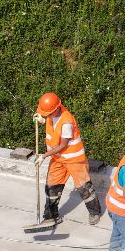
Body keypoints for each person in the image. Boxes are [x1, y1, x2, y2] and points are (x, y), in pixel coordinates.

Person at [35, 92, 101, 225]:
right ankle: (51, 216)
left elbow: (63, 145)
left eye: (47, 114)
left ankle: (95, 212)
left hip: (74, 159)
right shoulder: (52, 115)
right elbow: (52, 125)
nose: (46, 116)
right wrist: (43, 120)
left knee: (84, 188)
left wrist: (44, 156)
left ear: (55, 109)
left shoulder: (67, 122)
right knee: (51, 187)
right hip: (58, 159)